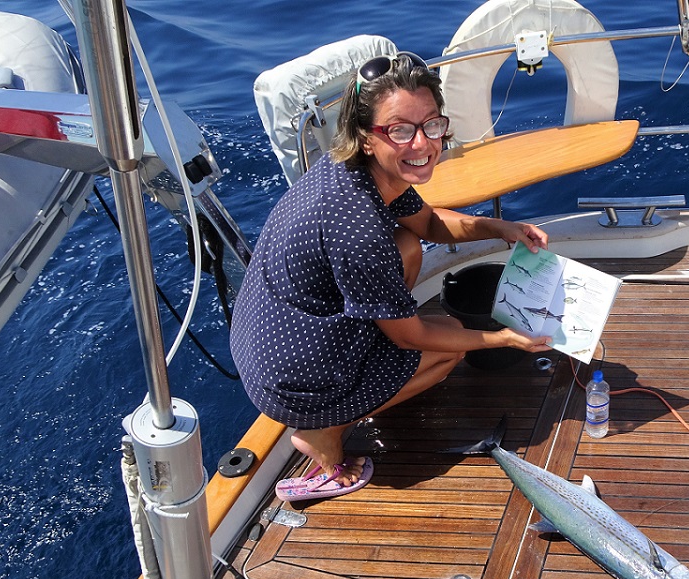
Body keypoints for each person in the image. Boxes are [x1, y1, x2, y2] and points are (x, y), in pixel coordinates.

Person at [230, 51, 551, 502]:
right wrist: (505, 339)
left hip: (272, 335)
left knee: (407, 245)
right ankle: (325, 430)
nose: (421, 144)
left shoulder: (355, 172)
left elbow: (430, 224)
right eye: (400, 130)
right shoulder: (358, 229)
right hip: (292, 374)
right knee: (448, 347)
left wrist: (502, 229)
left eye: (431, 125)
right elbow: (412, 337)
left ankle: (357, 372)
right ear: (366, 137)